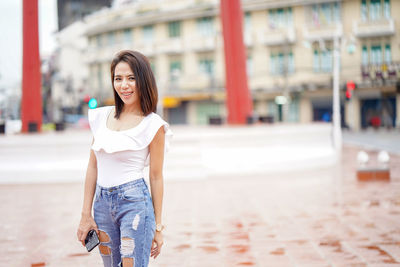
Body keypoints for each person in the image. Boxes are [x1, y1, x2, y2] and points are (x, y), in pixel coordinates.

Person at [77, 50, 172, 267]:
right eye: (118, 79)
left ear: (143, 80)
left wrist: (158, 227)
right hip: (101, 207)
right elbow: (93, 166)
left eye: (131, 78)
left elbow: (156, 177)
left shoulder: (153, 125)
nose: (124, 85)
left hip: (134, 204)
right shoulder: (101, 117)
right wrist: (85, 214)